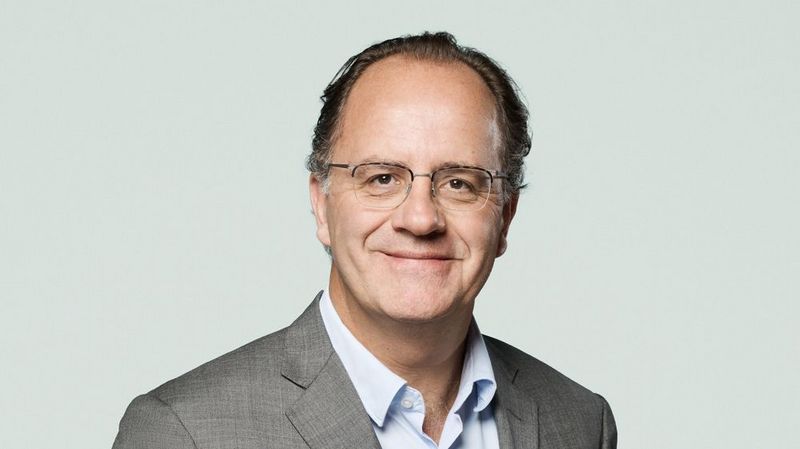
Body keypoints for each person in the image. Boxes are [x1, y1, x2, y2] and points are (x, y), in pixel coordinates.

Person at [112, 32, 617, 449]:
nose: (420, 218)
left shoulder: (578, 422)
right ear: (322, 205)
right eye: (382, 178)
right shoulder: (186, 432)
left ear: (505, 216)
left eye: (459, 183)